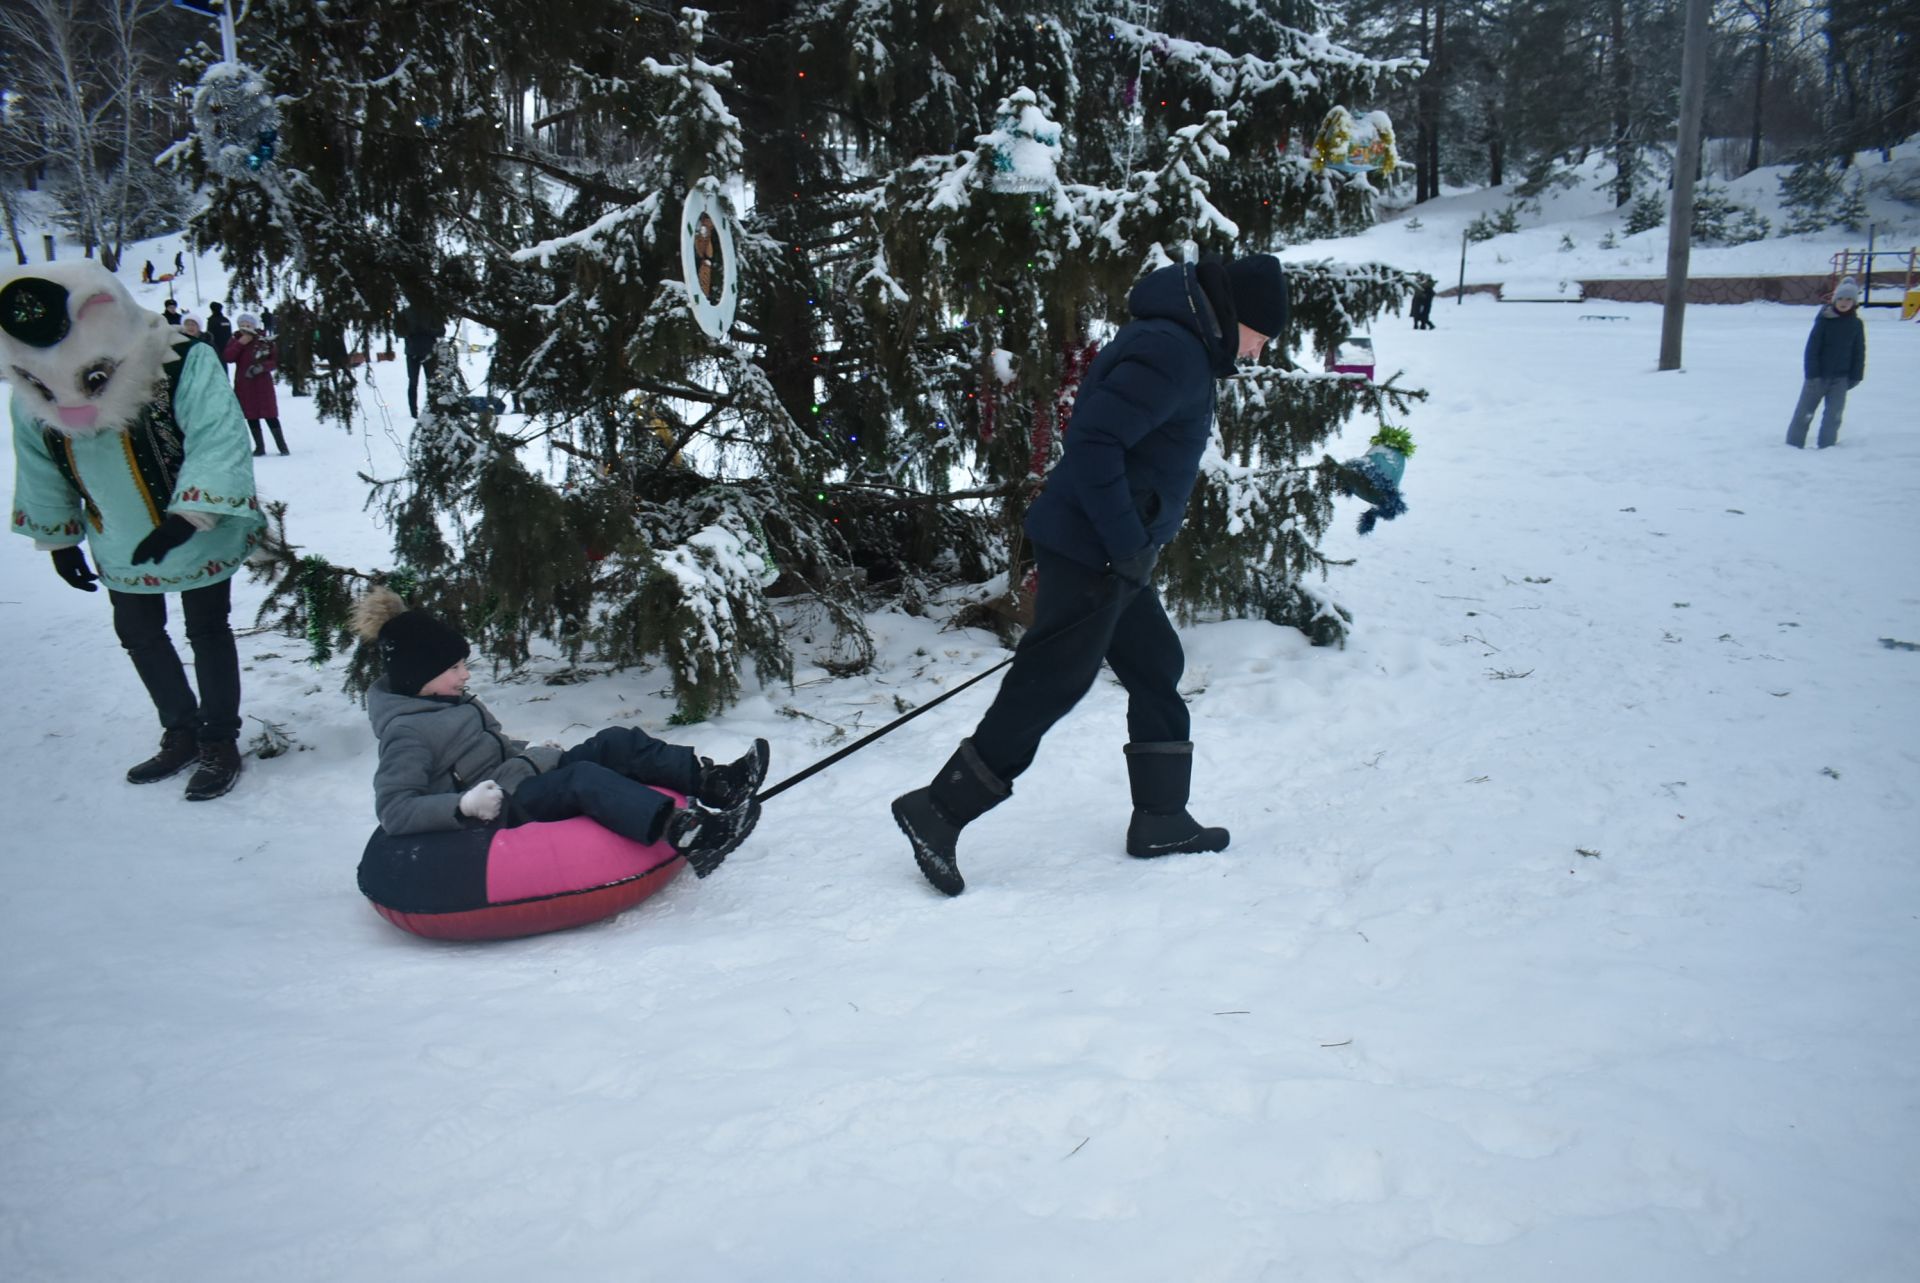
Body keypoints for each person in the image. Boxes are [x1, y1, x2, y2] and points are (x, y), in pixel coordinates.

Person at [891, 254, 1290, 896]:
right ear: (1243, 319)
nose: (1258, 355)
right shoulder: (1173, 350)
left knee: (1156, 663)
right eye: (1262, 340)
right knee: (1052, 682)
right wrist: (1127, 541)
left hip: (1111, 548)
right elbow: (1095, 444)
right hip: (1096, 549)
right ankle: (937, 809)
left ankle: (1162, 818)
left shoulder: (1176, 342)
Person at [4, 262, 263, 800]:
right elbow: (39, 458)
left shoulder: (183, 362)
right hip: (116, 534)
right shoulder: (33, 385)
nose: (68, 407)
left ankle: (219, 737)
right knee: (138, 633)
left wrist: (189, 515)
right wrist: (59, 538)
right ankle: (182, 729)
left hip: (196, 529)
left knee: (207, 629)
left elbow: (218, 437)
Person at [350, 587, 768, 875]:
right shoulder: (406, 734)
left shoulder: (450, 702)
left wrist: (531, 752)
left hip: (524, 775)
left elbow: (486, 747)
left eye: (463, 664)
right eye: (454, 668)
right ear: (420, 675)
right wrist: (463, 805)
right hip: (502, 808)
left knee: (614, 742)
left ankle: (716, 783)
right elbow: (394, 809)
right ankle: (689, 833)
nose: (465, 674)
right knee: (583, 779)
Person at [1785, 276, 1867, 449]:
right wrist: (1812, 374)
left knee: (1834, 415)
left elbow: (1859, 352)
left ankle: (1827, 447)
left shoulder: (1856, 324)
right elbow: (1812, 349)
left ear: (1854, 302)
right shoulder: (1824, 320)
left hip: (1841, 378)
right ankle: (1792, 446)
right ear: (1834, 300)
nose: (1844, 302)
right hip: (1818, 376)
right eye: (1841, 299)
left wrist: (1856, 376)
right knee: (1804, 413)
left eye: (1849, 299)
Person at [225, 313, 286, 456]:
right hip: (244, 384)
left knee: (270, 415)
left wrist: (262, 367)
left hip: (263, 384)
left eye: (248, 325)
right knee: (251, 415)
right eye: (242, 326)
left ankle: (282, 446)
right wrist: (240, 344)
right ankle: (260, 447)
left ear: (254, 326)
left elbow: (275, 361)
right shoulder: (236, 340)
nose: (245, 328)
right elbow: (228, 357)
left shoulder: (264, 341)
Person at [399, 297, 444, 418]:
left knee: (416, 383)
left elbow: (399, 332)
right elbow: (441, 331)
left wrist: (414, 332)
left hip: (418, 351)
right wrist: (428, 332)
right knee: (429, 382)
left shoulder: (407, 312)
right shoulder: (429, 311)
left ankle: (418, 412)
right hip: (423, 350)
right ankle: (430, 409)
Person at [204, 301, 233, 369]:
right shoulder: (226, 320)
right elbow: (230, 334)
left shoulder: (212, 320)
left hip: (215, 349)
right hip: (226, 348)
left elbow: (209, 336)